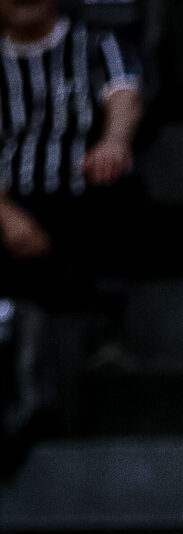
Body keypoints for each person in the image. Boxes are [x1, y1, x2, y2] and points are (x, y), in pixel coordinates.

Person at [0, 0, 142, 352]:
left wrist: (114, 141)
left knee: (119, 180)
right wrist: (6, 215)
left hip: (80, 190)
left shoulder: (96, 42)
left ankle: (110, 326)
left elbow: (125, 95)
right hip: (12, 199)